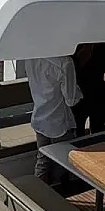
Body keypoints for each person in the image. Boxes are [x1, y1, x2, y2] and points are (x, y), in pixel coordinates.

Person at [25, 55, 81, 187]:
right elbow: (71, 100)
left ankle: (37, 193)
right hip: (59, 121)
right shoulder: (65, 63)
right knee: (64, 164)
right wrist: (79, 91)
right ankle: (61, 194)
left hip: (39, 118)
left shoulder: (30, 57)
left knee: (42, 161)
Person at [72, 42, 105, 136]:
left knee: (96, 130)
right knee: (80, 130)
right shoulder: (78, 44)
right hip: (83, 95)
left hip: (98, 94)